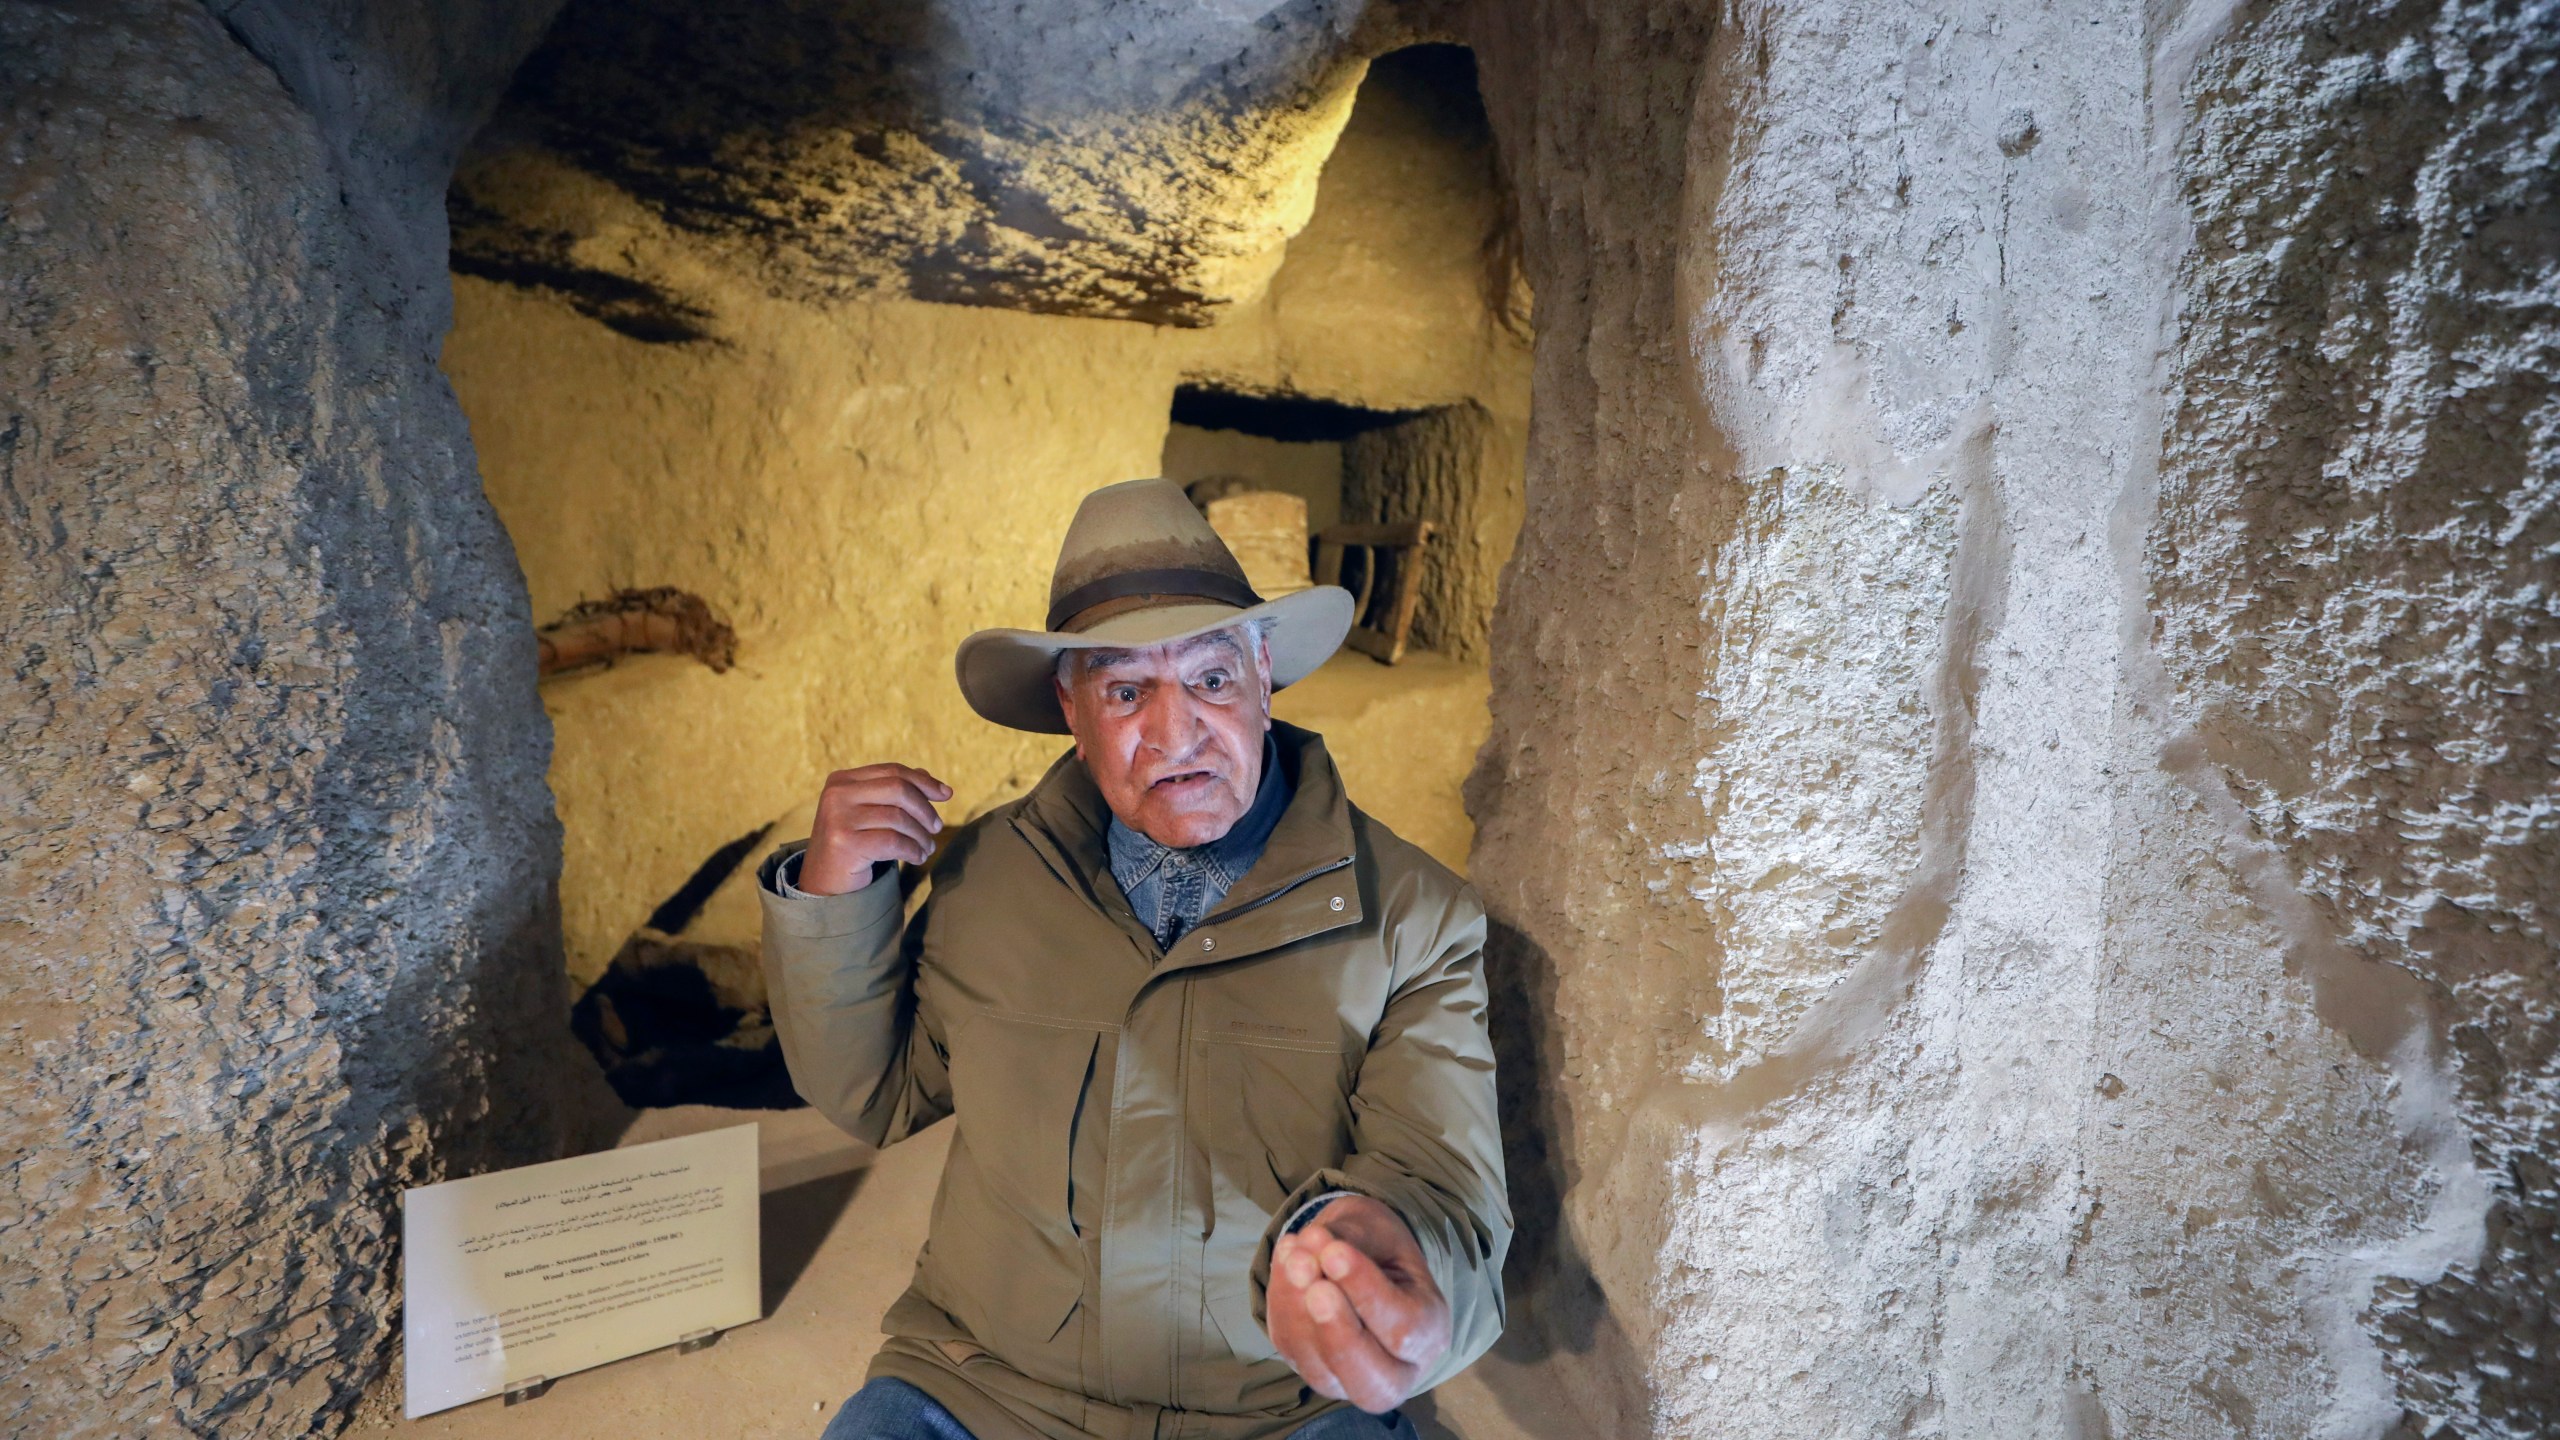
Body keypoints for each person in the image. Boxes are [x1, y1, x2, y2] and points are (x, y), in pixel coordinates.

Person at [759, 478, 1509, 1440]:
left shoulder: (1414, 915)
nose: (1175, 731)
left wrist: (1392, 1246)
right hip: (982, 1390)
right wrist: (836, 900)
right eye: (1125, 690)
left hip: (1281, 1408)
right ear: (1071, 709)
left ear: (1263, 676)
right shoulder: (987, 879)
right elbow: (876, 1095)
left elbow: (1446, 1189)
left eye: (1209, 677)